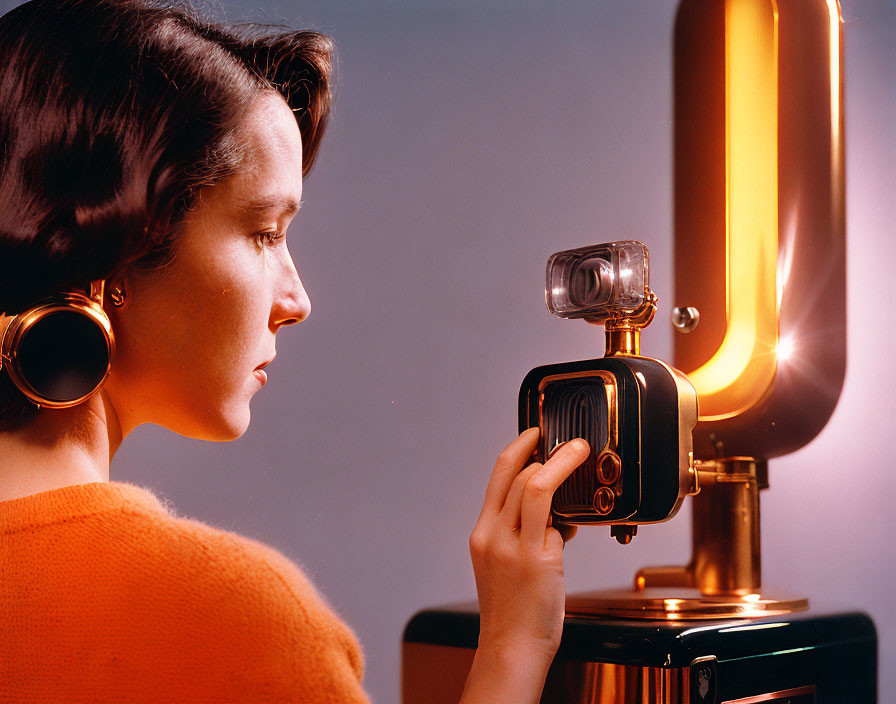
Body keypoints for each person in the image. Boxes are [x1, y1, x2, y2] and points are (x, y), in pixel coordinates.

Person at [0, 1, 591, 702]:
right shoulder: (231, 616)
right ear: (117, 251)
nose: (297, 301)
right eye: (264, 232)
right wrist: (514, 646)